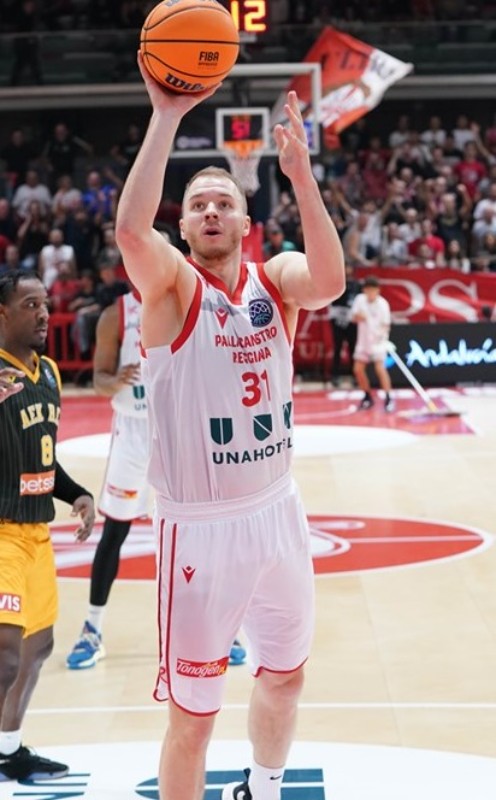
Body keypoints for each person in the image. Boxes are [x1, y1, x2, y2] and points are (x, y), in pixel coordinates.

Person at [115, 53, 345, 800]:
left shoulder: (275, 280)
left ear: (246, 220)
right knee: (193, 721)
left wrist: (301, 177)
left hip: (278, 511)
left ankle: (264, 787)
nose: (211, 210)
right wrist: (167, 116)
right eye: (197, 205)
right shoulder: (172, 288)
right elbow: (129, 230)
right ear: (182, 226)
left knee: (286, 677)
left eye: (223, 202)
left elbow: (331, 281)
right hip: (200, 532)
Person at [65, 290, 246, 670]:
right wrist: (116, 380)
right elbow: (98, 381)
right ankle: (92, 629)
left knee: (197, 532)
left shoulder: (188, 303)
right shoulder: (115, 314)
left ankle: (219, 629)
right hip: (132, 433)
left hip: (178, 428)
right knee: (115, 531)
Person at [0, 269, 95, 782]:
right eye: (30, 305)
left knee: (38, 649)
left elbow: (41, 459)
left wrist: (76, 493)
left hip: (37, 534)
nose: (43, 314)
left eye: (44, 304)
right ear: (2, 314)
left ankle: (8, 750)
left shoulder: (50, 374)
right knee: (5, 657)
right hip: (1, 535)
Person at [350, 275, 394, 412]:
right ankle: (367, 396)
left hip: (378, 342)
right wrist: (359, 317)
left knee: (380, 368)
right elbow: (353, 318)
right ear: (364, 290)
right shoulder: (359, 300)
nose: (370, 293)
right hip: (363, 342)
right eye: (368, 290)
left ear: (378, 290)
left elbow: (386, 325)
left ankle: (388, 398)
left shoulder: (383, 304)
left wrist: (381, 338)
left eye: (373, 290)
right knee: (358, 369)